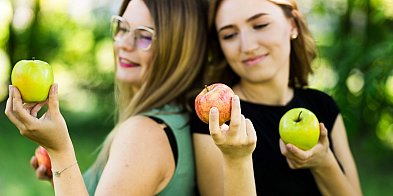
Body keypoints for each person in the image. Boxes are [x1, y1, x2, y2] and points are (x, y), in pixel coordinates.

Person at [5, 0, 207, 195]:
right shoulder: (175, 116)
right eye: (123, 28)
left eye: (145, 36)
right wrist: (58, 175)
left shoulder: (143, 134)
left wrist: (60, 151)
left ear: (179, 49)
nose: (124, 44)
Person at [191, 0, 363, 195]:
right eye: (229, 35)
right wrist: (236, 159)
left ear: (292, 25)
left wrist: (323, 162)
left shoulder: (323, 106)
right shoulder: (218, 121)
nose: (247, 46)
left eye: (260, 25)